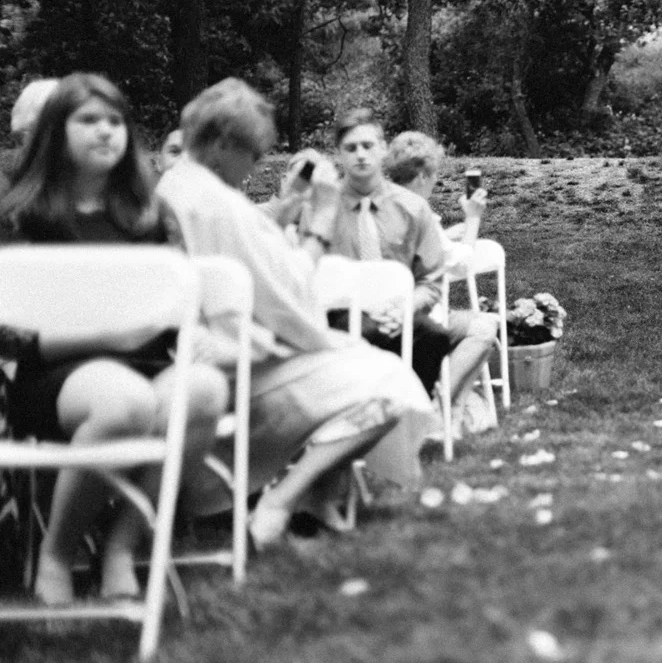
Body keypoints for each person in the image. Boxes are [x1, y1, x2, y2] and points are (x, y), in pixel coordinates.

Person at [155, 79, 432, 547]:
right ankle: (286, 496)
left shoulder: (177, 184)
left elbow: (252, 258)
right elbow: (292, 296)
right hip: (231, 366)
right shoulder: (218, 203)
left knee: (357, 356)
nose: (251, 169)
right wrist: (320, 218)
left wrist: (283, 210)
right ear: (223, 145)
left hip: (195, 352)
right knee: (389, 381)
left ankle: (321, 493)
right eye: (253, 156)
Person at [0, 73, 228, 604]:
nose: (105, 131)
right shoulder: (21, 217)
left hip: (149, 361)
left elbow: (180, 298)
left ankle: (124, 542)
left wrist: (198, 335)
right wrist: (114, 334)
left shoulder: (148, 214)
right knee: (123, 401)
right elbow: (9, 338)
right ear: (56, 131)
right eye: (88, 120)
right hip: (55, 375)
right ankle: (59, 551)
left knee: (206, 390)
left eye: (115, 120)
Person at [322, 109, 497, 406]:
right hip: (343, 313)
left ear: (382, 149)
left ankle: (415, 410)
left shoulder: (413, 208)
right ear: (339, 155)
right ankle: (363, 414)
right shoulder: (322, 208)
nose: (360, 155)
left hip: (403, 310)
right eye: (351, 148)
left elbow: (431, 280)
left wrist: (403, 307)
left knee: (431, 334)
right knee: (359, 336)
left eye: (368, 146)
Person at [382, 129, 503, 414]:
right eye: (434, 175)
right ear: (423, 175)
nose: (434, 181)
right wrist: (473, 220)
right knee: (485, 327)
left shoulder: (384, 204)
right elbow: (460, 264)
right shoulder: (419, 211)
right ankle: (440, 407)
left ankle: (454, 409)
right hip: (415, 317)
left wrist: (444, 234)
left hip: (377, 312)